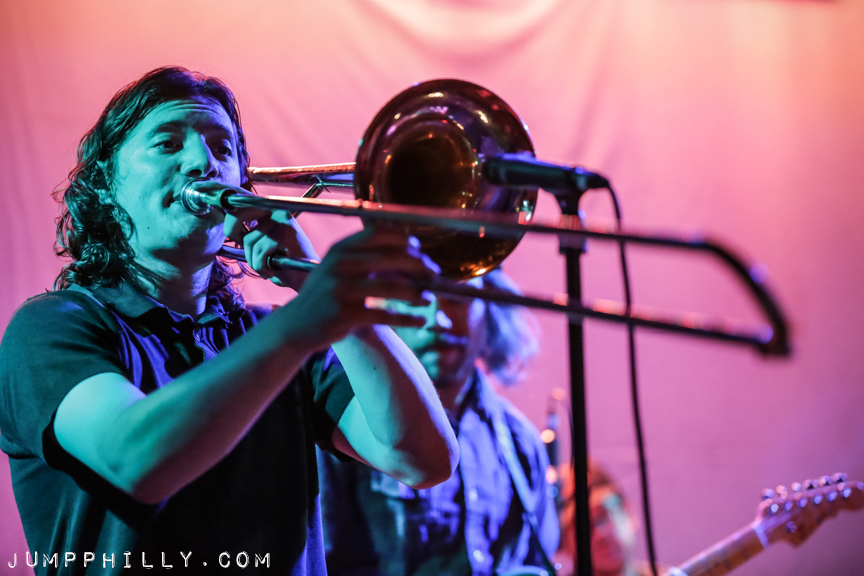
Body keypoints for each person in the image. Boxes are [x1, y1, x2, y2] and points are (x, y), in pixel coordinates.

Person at [0, 66, 458, 575]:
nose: (203, 163)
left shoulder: (276, 336)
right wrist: (306, 319)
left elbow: (423, 460)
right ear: (106, 184)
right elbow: (134, 462)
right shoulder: (52, 327)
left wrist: (332, 299)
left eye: (222, 149)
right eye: (168, 144)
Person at [318, 269, 560, 576]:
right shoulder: (348, 423)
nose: (438, 319)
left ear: (489, 307)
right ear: (385, 308)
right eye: (417, 296)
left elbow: (536, 560)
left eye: (457, 297)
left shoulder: (520, 440)